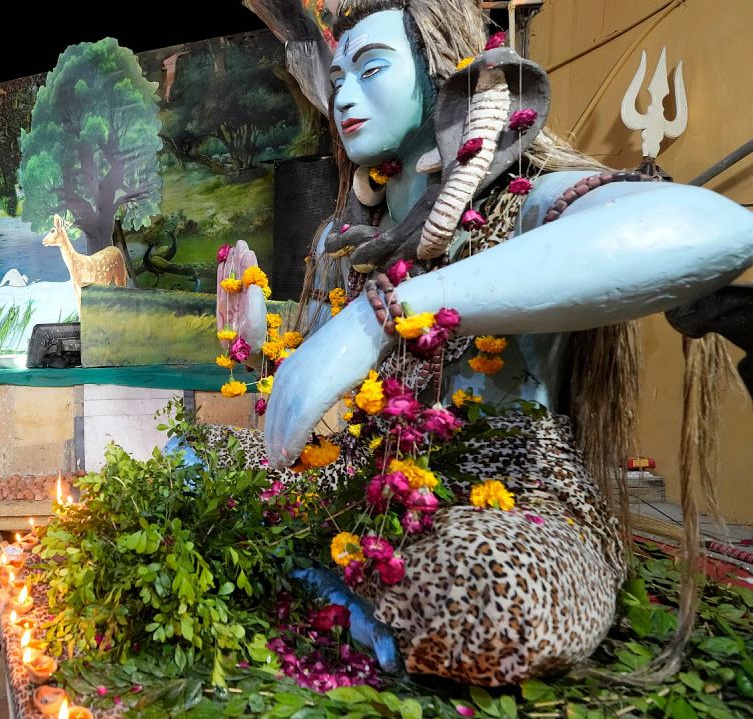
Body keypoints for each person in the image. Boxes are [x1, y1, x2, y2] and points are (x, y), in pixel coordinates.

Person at [233, 0, 753, 686]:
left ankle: (332, 588)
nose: (345, 97)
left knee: (491, 592)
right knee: (197, 460)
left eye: (371, 68)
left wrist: (388, 314)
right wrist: (253, 349)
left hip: (518, 503)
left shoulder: (522, 204)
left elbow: (710, 230)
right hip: (373, 481)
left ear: (446, 73)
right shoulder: (350, 247)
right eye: (336, 82)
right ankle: (342, 589)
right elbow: (308, 411)